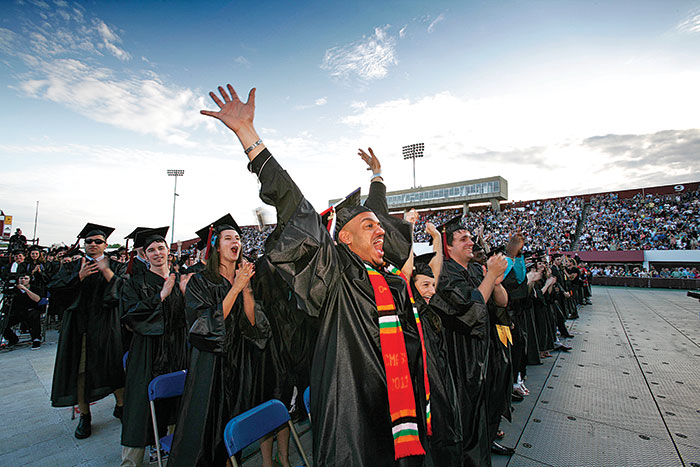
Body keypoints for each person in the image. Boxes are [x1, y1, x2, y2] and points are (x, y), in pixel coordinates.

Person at [200, 83, 432, 466]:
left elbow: (387, 228)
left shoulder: (392, 283)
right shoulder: (335, 274)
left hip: (397, 410)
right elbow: (295, 205)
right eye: (369, 227)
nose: (380, 232)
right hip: (353, 418)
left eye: (380, 227)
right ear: (343, 237)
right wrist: (248, 136)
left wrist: (377, 178)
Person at [168, 214, 271, 467]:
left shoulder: (243, 278)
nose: (235, 242)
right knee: (209, 434)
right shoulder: (200, 282)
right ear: (216, 245)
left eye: (237, 238)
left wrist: (246, 289)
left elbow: (253, 324)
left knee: (233, 429)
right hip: (210, 366)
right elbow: (204, 325)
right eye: (228, 238)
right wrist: (236, 288)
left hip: (238, 362)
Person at [432, 216, 508, 466]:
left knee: (482, 414)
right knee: (463, 420)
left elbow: (501, 302)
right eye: (462, 238)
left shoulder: (475, 269)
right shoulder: (444, 275)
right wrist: (491, 276)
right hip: (458, 357)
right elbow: (469, 313)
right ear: (448, 247)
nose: (470, 242)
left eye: (471, 238)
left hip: (483, 353)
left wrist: (495, 281)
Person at [120, 227, 191, 467]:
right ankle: (132, 462)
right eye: (151, 250)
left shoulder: (179, 278)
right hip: (147, 353)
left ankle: (172, 452)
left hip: (177, 350)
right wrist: (160, 296)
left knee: (175, 405)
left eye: (161, 248)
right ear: (144, 255)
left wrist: (183, 294)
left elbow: (187, 320)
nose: (157, 253)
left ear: (168, 251)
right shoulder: (135, 283)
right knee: (139, 410)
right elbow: (130, 318)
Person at [49, 223, 125, 439]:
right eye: (89, 241)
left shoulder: (115, 266)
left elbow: (123, 292)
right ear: (84, 244)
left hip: (106, 326)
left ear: (105, 244)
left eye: (98, 241)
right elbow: (56, 293)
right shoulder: (72, 267)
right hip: (79, 328)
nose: (93, 244)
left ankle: (121, 406)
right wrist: (79, 277)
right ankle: (85, 415)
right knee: (81, 372)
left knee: (114, 367)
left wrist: (106, 271)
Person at [1, 273, 44, 349]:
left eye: (26, 278)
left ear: (30, 280)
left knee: (34, 316)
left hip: (31, 310)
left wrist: (25, 289)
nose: (23, 280)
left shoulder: (36, 289)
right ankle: (12, 339)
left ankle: (36, 339)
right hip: (18, 312)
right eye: (21, 278)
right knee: (2, 323)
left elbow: (37, 299)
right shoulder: (14, 290)